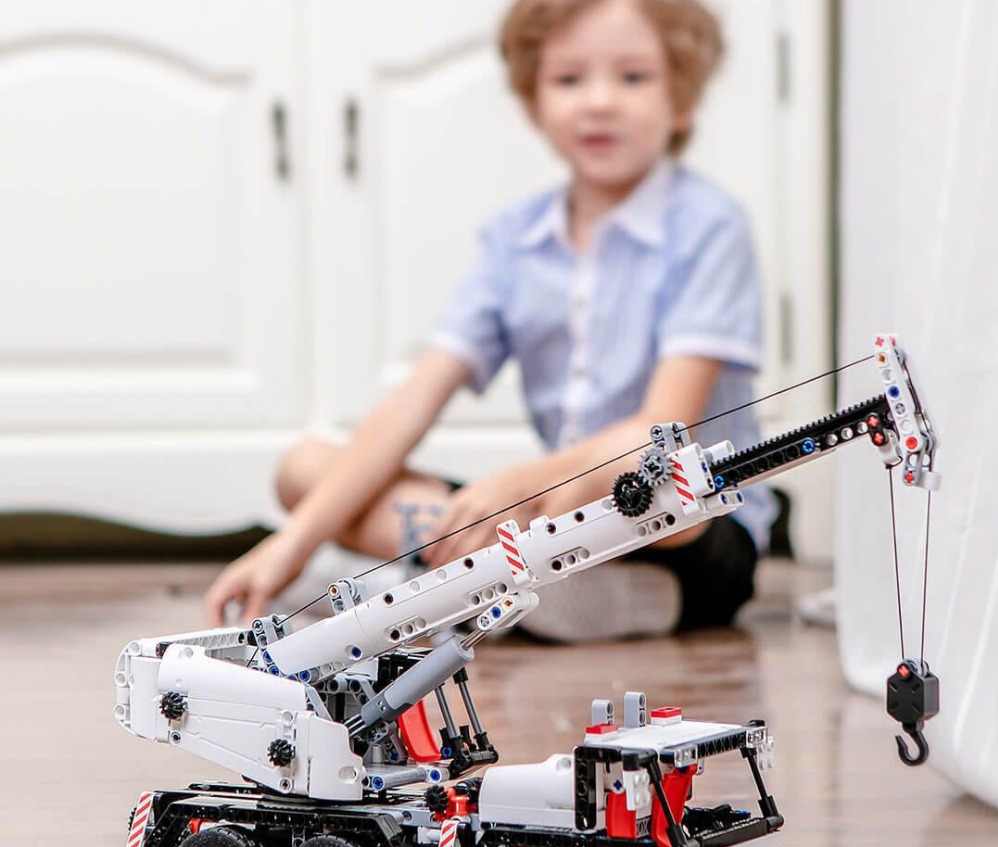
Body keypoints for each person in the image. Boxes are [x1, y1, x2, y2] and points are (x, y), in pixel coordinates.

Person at [205, 0, 776, 640]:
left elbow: (663, 427)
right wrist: (291, 546)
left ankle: (496, 581)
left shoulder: (709, 227)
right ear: (533, 103)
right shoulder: (515, 240)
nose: (599, 102)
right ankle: (541, 583)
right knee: (306, 468)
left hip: (683, 525)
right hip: (551, 513)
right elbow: (413, 403)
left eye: (633, 77)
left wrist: (518, 487)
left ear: (683, 100)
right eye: (569, 79)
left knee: (634, 457)